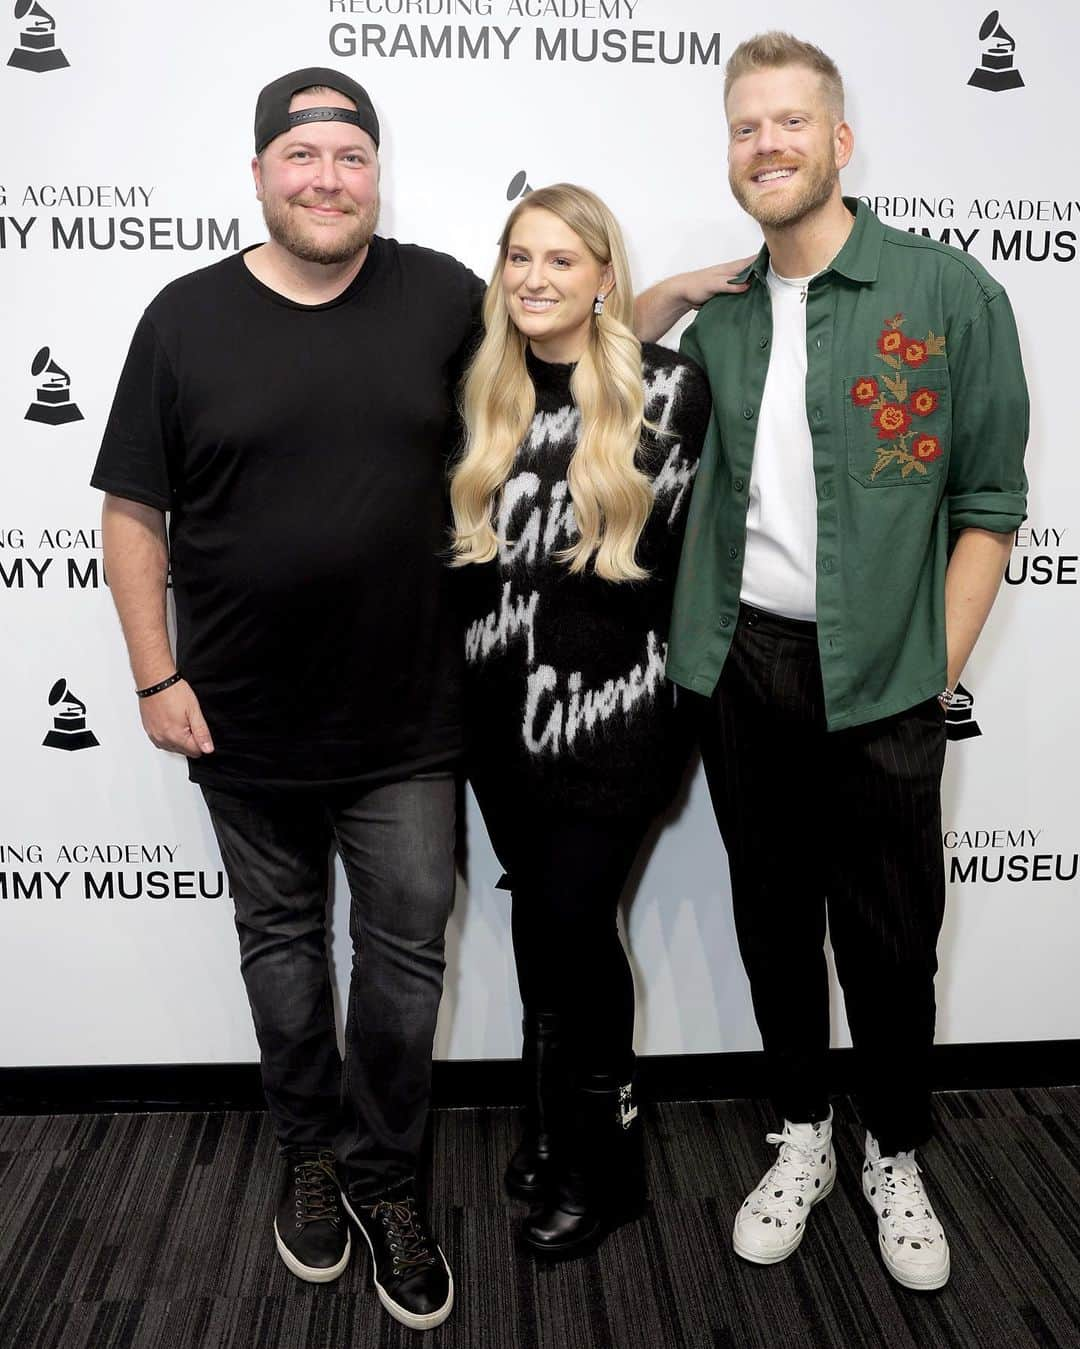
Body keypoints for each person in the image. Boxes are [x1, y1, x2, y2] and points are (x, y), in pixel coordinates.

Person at [91, 67, 487, 1332]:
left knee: (406, 952)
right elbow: (131, 511)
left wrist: (668, 294)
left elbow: (566, 348)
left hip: (411, 717)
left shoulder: (441, 295)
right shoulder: (182, 316)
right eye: (303, 155)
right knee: (280, 947)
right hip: (243, 712)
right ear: (260, 173)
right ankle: (309, 1153)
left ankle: (384, 1174)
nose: (327, 177)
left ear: (379, 174)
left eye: (351, 156)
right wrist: (155, 671)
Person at [635, 32, 1029, 1291]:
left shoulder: (947, 295)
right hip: (742, 665)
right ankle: (802, 1129)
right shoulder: (722, 326)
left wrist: (937, 664)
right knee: (772, 921)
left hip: (889, 676)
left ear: (840, 139)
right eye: (748, 128)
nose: (769, 145)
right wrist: (659, 305)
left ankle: (894, 1147)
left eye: (792, 123)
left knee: (893, 933)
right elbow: (603, 399)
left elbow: (987, 501)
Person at [450, 184, 711, 1257]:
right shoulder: (475, 394)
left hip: (615, 721)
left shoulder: (672, 389)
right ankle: (551, 1128)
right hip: (495, 720)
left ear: (607, 274)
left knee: (572, 924)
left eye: (564, 259)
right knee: (538, 919)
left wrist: (673, 300)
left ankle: (606, 1172)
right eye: (520, 257)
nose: (537, 278)